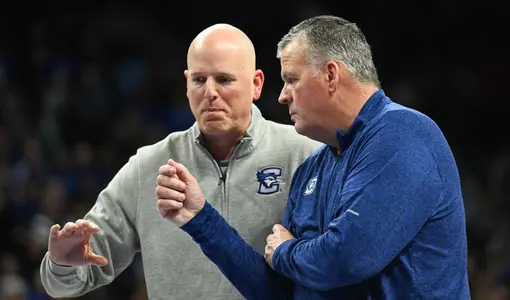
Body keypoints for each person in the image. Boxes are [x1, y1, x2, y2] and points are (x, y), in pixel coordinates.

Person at [157, 15, 471, 299]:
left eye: (291, 79)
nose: (281, 96)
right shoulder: (311, 170)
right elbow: (282, 294)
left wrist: (285, 252)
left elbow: (349, 258)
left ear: (331, 75)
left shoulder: (403, 135)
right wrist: (202, 220)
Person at [39, 24, 322, 300]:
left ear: (256, 84)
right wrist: (62, 265)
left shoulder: (305, 155)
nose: (210, 91)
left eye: (224, 79)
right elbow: (66, 283)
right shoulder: (148, 167)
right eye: (199, 80)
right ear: (187, 84)